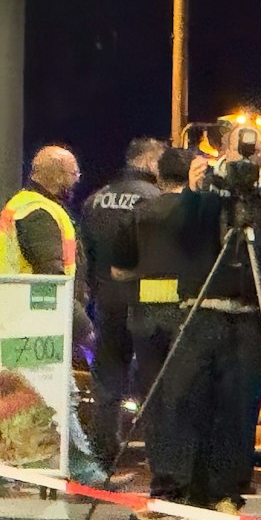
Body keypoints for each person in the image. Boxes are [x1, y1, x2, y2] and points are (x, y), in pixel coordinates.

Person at [121, 123, 261, 518]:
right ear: (222, 149)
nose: (245, 157)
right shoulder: (204, 192)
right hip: (198, 311)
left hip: (249, 317)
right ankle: (170, 491)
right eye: (238, 149)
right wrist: (193, 193)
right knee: (179, 402)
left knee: (237, 410)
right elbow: (180, 240)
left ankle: (225, 494)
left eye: (252, 150)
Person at [0, 145, 107, 486]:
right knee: (59, 392)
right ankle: (85, 473)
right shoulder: (38, 212)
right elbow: (51, 274)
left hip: (20, 313)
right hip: (34, 316)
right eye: (74, 174)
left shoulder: (30, 207)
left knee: (23, 396)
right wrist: (83, 326)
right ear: (56, 175)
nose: (76, 180)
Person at [109, 145, 206, 520]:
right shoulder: (204, 215)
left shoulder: (138, 215)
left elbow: (119, 271)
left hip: (147, 318)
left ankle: (164, 485)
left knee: (157, 402)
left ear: (160, 176)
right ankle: (193, 486)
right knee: (193, 400)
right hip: (193, 316)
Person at [81, 137, 165, 463]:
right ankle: (159, 460)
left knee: (107, 382)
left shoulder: (94, 200)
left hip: (106, 302)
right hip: (147, 303)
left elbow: (85, 256)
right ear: (147, 162)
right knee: (153, 382)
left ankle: (103, 454)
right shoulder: (156, 201)